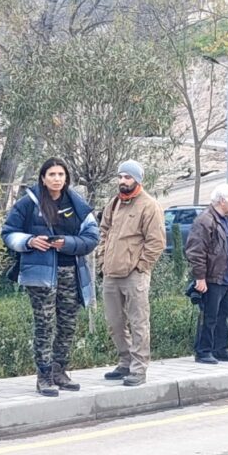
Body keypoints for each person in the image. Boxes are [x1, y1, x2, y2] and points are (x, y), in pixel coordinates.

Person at [1, 158, 99, 397]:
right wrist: (29, 241)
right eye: (52, 174)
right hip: (41, 275)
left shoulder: (77, 204)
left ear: (67, 178)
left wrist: (67, 243)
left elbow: (92, 237)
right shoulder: (27, 204)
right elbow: (8, 233)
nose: (57, 179)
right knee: (45, 325)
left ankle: (60, 370)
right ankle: (43, 376)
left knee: (68, 324)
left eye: (61, 174)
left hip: (71, 272)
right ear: (43, 178)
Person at [97, 160, 166, 387]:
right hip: (110, 273)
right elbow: (103, 231)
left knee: (138, 323)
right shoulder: (114, 203)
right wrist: (101, 260)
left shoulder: (149, 205)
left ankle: (138, 368)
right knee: (115, 322)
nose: (123, 181)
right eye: (120, 177)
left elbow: (156, 242)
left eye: (127, 177)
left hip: (134, 274)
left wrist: (141, 266)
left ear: (137, 179)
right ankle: (124, 361)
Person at [185, 183, 228, 364]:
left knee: (223, 315)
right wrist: (200, 278)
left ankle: (220, 349)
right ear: (222, 201)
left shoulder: (226, 219)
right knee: (209, 316)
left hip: (227, 278)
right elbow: (196, 251)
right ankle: (203, 351)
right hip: (213, 278)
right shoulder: (205, 221)